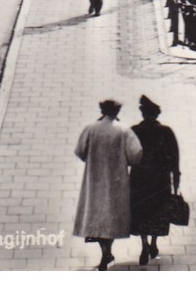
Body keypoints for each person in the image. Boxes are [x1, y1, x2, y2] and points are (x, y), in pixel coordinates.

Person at [74, 100, 143, 271]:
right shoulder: (123, 130)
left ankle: (105, 252)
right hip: (116, 180)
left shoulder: (91, 128)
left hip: (94, 178)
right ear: (117, 111)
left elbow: (80, 151)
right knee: (111, 216)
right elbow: (136, 154)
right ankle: (108, 251)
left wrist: (91, 158)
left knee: (97, 215)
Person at [130, 95, 180, 265]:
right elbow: (175, 157)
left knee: (141, 211)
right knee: (158, 211)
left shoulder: (134, 130)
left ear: (143, 114)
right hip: (160, 179)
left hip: (139, 179)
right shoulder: (166, 131)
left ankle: (144, 244)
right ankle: (153, 243)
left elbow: (127, 155)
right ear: (157, 115)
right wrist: (176, 179)